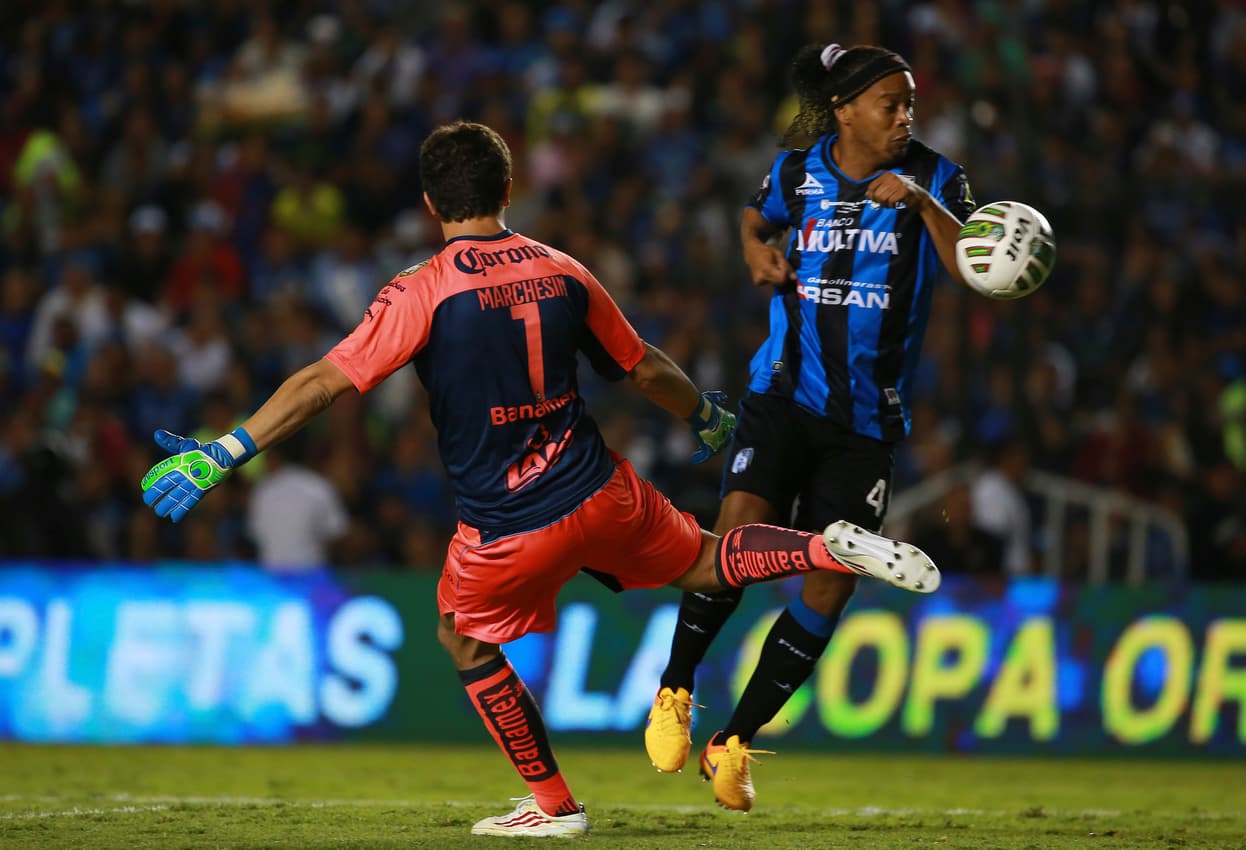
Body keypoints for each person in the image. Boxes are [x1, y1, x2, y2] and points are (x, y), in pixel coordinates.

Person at [139, 121, 940, 838]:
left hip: (506, 525)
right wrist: (708, 421)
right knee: (708, 558)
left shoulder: (422, 290)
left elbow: (324, 382)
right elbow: (645, 367)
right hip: (602, 490)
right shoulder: (562, 269)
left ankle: (553, 804)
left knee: (460, 635)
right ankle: (825, 548)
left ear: (429, 202)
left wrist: (226, 450)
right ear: (508, 189)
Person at [645, 43, 976, 811]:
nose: (905, 117)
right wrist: (756, 250)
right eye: (891, 104)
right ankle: (674, 688)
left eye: (910, 106)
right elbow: (755, 219)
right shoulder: (797, 171)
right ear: (846, 110)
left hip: (867, 419)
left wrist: (923, 205)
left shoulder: (936, 175)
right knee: (735, 534)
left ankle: (733, 743)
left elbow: (970, 269)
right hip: (785, 392)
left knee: (832, 578)